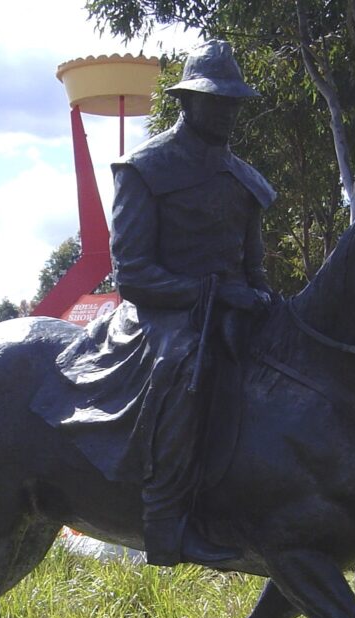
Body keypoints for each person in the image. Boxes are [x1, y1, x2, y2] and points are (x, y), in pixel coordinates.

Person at [109, 40, 276, 567]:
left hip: (229, 310)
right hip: (163, 318)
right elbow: (132, 274)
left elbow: (255, 269)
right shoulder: (144, 169)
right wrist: (208, 293)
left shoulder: (247, 182)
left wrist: (261, 299)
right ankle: (165, 523)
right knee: (186, 368)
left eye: (233, 102)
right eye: (216, 100)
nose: (226, 111)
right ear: (187, 101)